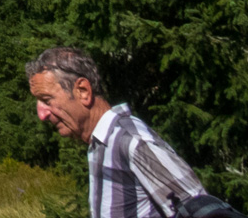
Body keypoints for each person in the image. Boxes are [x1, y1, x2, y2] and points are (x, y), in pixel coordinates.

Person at [26, 46, 236, 218]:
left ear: (83, 91)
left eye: (47, 100)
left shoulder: (131, 141)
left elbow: (203, 209)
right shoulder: (101, 144)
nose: (42, 114)